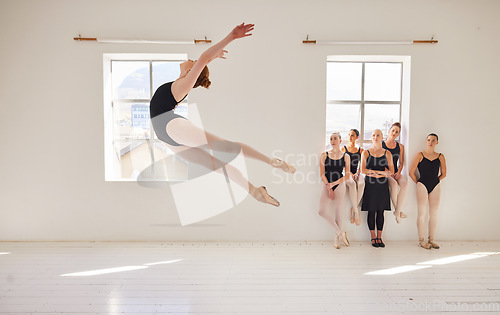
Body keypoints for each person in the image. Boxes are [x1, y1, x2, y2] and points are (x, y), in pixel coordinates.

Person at [149, 23, 295, 207]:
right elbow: (204, 60)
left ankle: (272, 162)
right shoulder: (181, 84)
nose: (192, 61)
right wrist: (213, 57)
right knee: (217, 166)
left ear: (191, 72)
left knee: (226, 147)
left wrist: (231, 37)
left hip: (170, 127)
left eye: (194, 63)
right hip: (166, 137)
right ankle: (255, 192)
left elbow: (203, 58)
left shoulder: (183, 86)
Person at [408, 133, 447, 249]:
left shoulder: (440, 156)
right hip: (422, 185)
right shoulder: (420, 155)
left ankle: (431, 239)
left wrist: (435, 181)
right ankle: (421, 240)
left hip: (435, 185)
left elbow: (444, 174)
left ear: (437, 143)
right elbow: (411, 172)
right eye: (429, 140)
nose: (430, 142)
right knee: (422, 213)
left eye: (433, 140)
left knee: (434, 213)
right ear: (426, 141)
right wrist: (420, 183)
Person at [360, 129, 394, 248]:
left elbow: (392, 171)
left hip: (382, 184)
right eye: (373, 135)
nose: (375, 137)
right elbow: (362, 170)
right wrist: (379, 173)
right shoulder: (366, 152)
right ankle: (373, 237)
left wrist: (377, 174)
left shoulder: (387, 153)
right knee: (371, 210)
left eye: (378, 135)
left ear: (382, 137)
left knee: (381, 211)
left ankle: (380, 237)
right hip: (370, 184)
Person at [319, 133, 351, 249]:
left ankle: (336, 239)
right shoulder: (324, 155)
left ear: (340, 140)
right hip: (327, 184)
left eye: (335, 138)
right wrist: (329, 187)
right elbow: (322, 174)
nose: (333, 140)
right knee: (321, 211)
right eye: (331, 138)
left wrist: (334, 184)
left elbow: (347, 176)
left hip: (339, 185)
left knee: (338, 212)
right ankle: (340, 231)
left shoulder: (346, 156)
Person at [382, 122, 408, 223]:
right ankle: (398, 212)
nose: (394, 133)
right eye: (393, 130)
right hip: (385, 172)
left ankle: (397, 211)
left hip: (396, 171)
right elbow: (378, 160)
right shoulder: (382, 145)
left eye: (397, 132)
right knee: (394, 185)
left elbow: (401, 162)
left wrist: (398, 172)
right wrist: (388, 172)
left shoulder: (400, 146)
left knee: (404, 184)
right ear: (389, 131)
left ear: (398, 134)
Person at [341, 129, 365, 226]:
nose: (350, 137)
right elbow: (342, 164)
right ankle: (356, 211)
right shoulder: (343, 149)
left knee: (362, 183)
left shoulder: (361, 150)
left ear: (357, 137)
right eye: (349, 135)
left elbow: (362, 165)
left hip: (357, 172)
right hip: (346, 172)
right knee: (352, 183)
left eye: (353, 135)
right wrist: (349, 173)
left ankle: (353, 208)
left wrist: (357, 173)